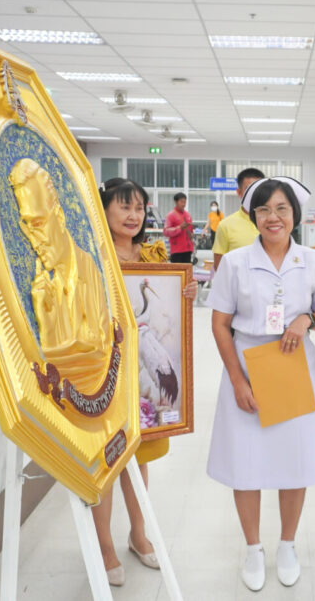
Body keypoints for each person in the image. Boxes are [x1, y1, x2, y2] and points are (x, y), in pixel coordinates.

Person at [205, 177, 315, 591]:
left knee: (293, 461)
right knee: (246, 464)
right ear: (253, 216)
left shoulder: (312, 262)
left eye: (281, 209)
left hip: (293, 367)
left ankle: (287, 545)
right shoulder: (235, 263)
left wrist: (305, 319)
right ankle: (253, 549)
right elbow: (220, 324)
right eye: (264, 210)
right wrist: (237, 380)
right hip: (247, 364)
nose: (273, 217)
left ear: (295, 214)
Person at [94, 177, 197, 587]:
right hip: (102, 368)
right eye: (124, 206)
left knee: (138, 457)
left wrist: (184, 293)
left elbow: (167, 302)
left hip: (142, 370)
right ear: (104, 210)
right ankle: (104, 546)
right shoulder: (91, 256)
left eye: (139, 207)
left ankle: (138, 534)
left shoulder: (154, 254)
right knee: (106, 458)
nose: (133, 215)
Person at [9, 158, 110, 381]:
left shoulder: (91, 271)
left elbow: (101, 360)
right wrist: (48, 329)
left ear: (60, 216)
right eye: (26, 227)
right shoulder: (46, 290)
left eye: (38, 224)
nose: (34, 240)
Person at [212, 168, 265, 270]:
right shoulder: (225, 225)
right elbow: (219, 266)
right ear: (239, 192)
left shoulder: (273, 223)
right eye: (249, 189)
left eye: (258, 189)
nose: (254, 194)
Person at [163, 192, 194, 264]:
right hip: (176, 251)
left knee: (187, 270)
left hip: (188, 250)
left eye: (185, 202)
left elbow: (191, 231)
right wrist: (180, 227)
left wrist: (191, 235)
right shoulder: (171, 215)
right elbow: (166, 231)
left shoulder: (188, 215)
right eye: (181, 202)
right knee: (177, 270)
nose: (183, 204)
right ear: (176, 202)